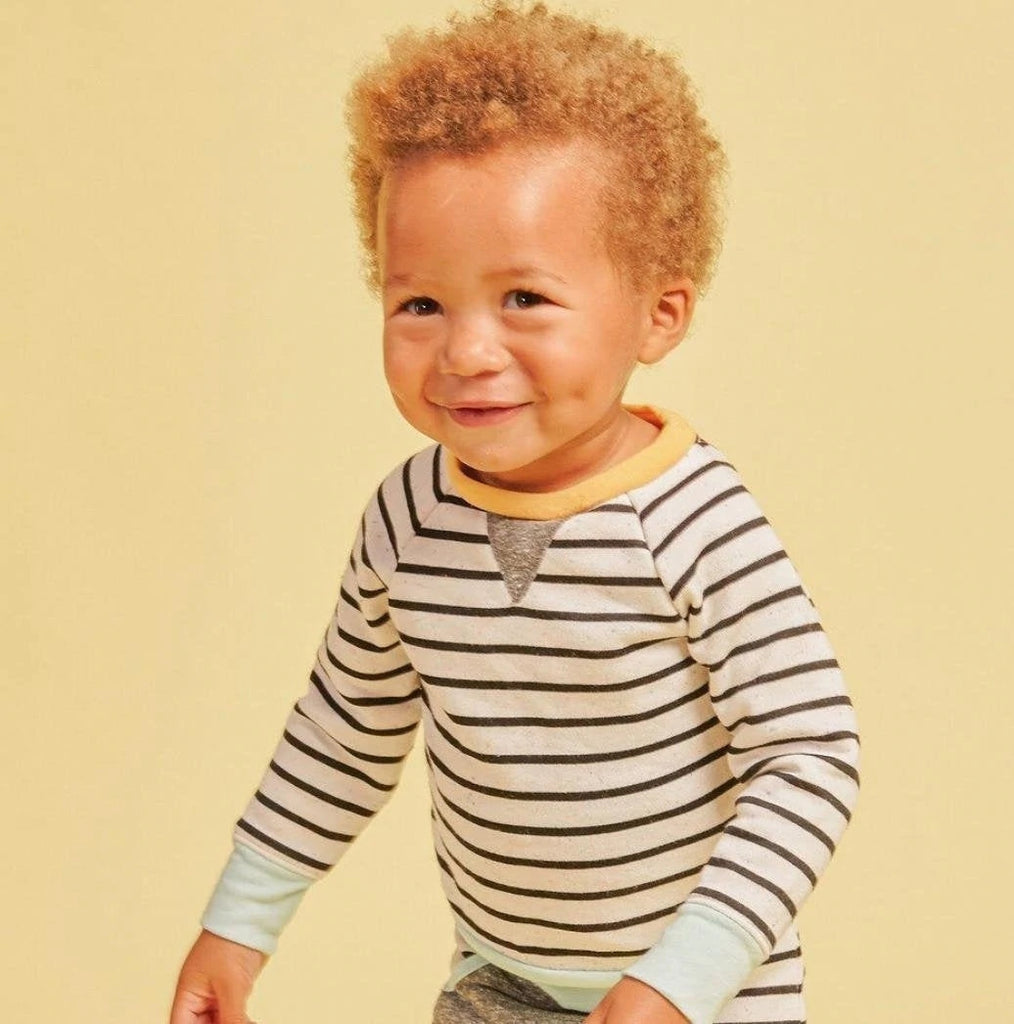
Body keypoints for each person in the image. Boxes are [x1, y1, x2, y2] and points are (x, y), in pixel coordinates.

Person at [169, 3, 860, 1022]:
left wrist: (681, 980)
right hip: (498, 983)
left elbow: (809, 757)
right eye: (420, 304)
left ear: (659, 313)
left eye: (524, 298)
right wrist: (239, 924)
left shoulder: (695, 522)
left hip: (707, 996)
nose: (465, 351)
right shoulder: (408, 516)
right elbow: (344, 729)